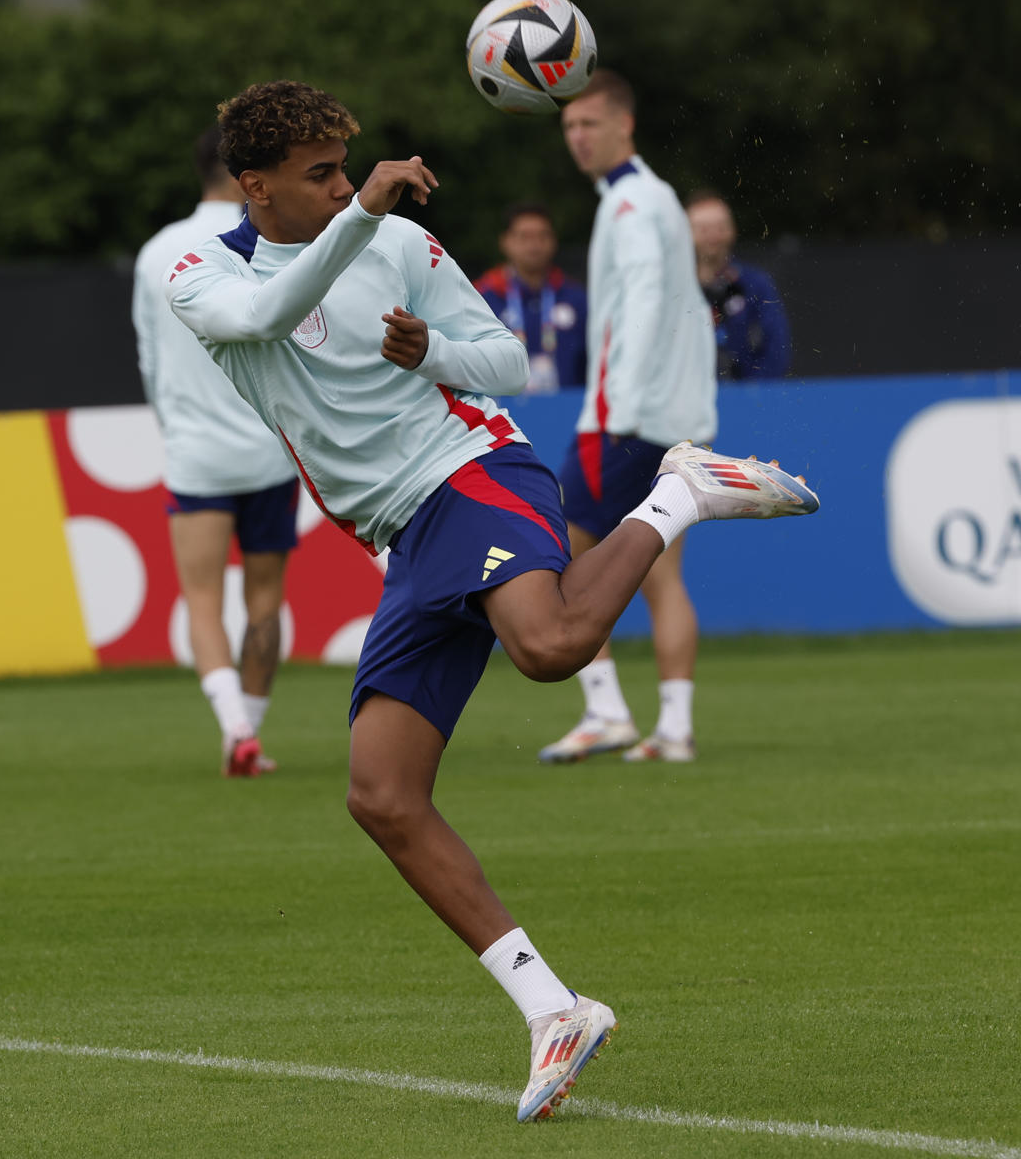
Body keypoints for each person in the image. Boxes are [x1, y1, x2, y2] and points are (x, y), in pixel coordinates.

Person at [166, 80, 818, 1120]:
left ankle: (682, 488)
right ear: (255, 186)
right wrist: (368, 212)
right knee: (381, 793)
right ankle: (556, 1006)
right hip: (403, 533)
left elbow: (505, 361)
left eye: (347, 168)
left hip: (471, 469)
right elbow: (270, 312)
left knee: (551, 645)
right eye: (319, 174)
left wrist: (437, 352)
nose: (342, 187)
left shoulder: (395, 244)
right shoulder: (203, 271)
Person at [537, 71, 720, 767]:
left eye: (590, 124)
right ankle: (673, 728)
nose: (578, 138)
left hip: (626, 421)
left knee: (560, 561)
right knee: (661, 576)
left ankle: (606, 710)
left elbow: (641, 306)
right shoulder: (660, 198)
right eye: (569, 128)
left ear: (625, 125)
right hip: (675, 421)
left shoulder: (630, 204)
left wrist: (615, 411)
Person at [133, 126, 298, 776]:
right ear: (243, 175)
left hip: (196, 453)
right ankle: (253, 732)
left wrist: (171, 428)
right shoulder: (268, 240)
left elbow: (148, 358)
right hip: (269, 449)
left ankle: (233, 728)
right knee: (265, 598)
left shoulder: (154, 253)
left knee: (201, 599)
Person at [472, 204, 589, 394]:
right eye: (524, 237)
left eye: (543, 236)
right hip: (501, 414)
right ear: (505, 241)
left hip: (567, 413)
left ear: (554, 240)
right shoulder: (483, 298)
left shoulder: (576, 298)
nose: (534, 245)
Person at [687, 190, 792, 381]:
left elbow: (776, 349)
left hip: (748, 398)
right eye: (702, 229)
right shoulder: (672, 289)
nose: (713, 236)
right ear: (686, 233)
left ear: (733, 230)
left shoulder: (756, 284)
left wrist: (754, 398)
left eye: (720, 227)